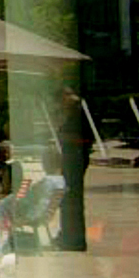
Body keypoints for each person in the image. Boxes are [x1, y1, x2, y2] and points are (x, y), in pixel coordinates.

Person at [0, 146, 67, 278]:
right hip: (27, 210)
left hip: (23, 212)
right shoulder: (59, 182)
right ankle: (3, 256)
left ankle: (2, 258)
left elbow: (27, 197)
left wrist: (22, 193)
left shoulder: (48, 182)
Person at [57, 87, 93, 250]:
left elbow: (84, 138)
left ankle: (71, 238)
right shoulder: (69, 115)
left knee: (71, 199)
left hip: (75, 158)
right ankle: (67, 235)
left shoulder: (78, 115)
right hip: (70, 158)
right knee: (67, 198)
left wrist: (66, 138)